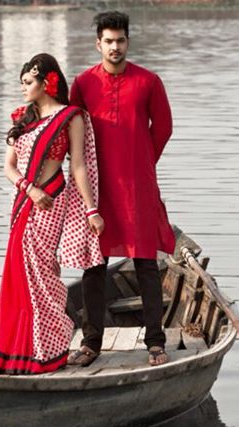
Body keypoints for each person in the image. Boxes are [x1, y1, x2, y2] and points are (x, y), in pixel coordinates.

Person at [68, 11, 176, 367]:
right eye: (108, 41)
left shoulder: (148, 82)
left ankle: (156, 343)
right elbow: (72, 135)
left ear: (128, 42)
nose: (115, 47)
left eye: (121, 41)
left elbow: (162, 128)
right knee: (94, 265)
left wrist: (141, 163)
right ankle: (91, 343)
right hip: (97, 191)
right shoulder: (83, 84)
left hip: (137, 189)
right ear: (98, 43)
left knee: (145, 263)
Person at [0, 53, 105, 375]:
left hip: (53, 204)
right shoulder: (22, 117)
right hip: (26, 204)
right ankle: (20, 352)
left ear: (47, 81)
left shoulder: (71, 118)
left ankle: (49, 349)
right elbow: (8, 168)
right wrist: (29, 189)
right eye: (23, 83)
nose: (24, 88)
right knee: (20, 280)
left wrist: (92, 210)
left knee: (43, 275)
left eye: (28, 82)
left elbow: (78, 165)